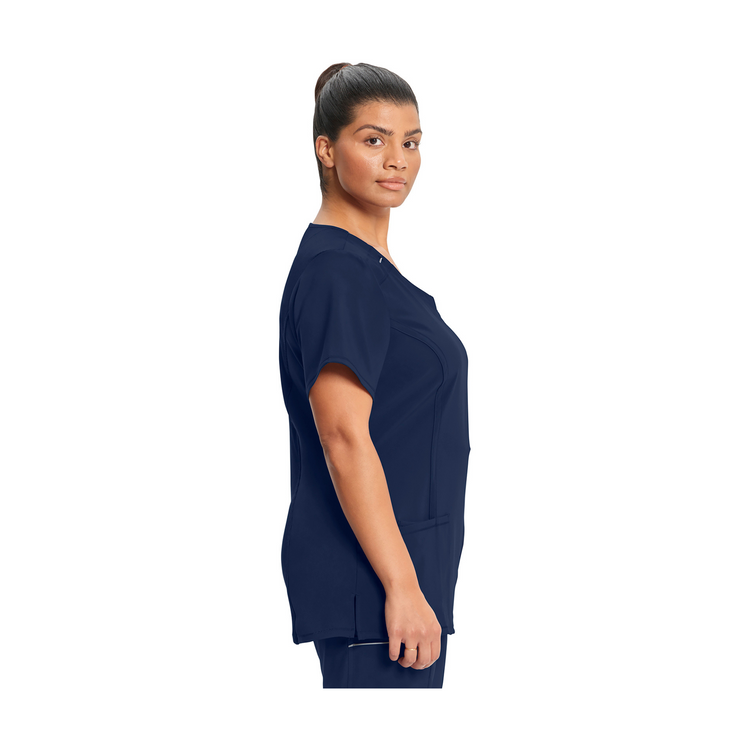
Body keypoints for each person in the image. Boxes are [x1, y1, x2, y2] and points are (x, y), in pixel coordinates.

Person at [277, 62, 471, 688]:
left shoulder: (365, 269)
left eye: (410, 142)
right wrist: (403, 585)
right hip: (377, 592)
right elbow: (343, 437)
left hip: (399, 581)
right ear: (326, 150)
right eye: (373, 139)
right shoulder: (339, 273)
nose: (397, 161)